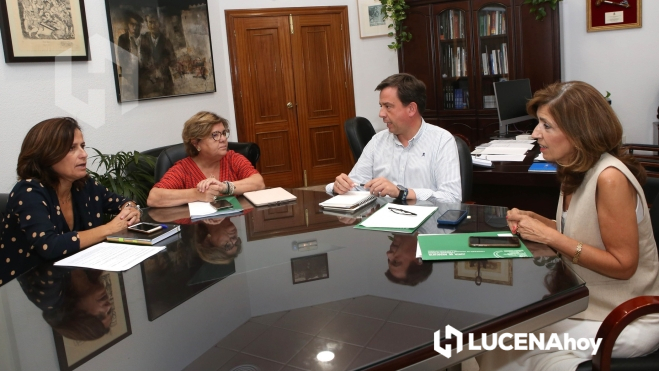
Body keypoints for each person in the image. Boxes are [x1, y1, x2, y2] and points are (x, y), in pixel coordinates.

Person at [477, 81, 659, 371]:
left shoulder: (610, 178)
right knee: (499, 336)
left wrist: (550, 235)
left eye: (546, 126)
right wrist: (540, 222)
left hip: (625, 316)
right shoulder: (575, 167)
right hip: (587, 302)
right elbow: (582, 232)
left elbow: (623, 265)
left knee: (503, 340)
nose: (536, 134)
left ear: (579, 133)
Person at [0, 118, 141, 286]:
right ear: (46, 155)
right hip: (28, 289)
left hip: (72, 279)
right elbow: (49, 245)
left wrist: (131, 209)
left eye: (82, 146)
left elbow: (122, 202)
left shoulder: (83, 184)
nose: (84, 154)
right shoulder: (28, 192)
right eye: (72, 148)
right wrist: (110, 228)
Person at [326, 73, 461, 203]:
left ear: (411, 109)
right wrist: (338, 186)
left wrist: (402, 192)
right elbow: (355, 185)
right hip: (383, 222)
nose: (381, 113)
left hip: (426, 223)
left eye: (388, 106)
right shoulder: (377, 141)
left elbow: (452, 198)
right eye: (381, 106)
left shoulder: (442, 141)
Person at [147, 111, 265, 207]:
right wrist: (196, 194)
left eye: (224, 133)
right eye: (215, 135)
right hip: (199, 230)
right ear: (196, 143)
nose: (223, 139)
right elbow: (154, 198)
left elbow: (258, 183)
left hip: (235, 224)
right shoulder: (183, 169)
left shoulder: (232, 158)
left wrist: (225, 187)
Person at [139, 13, 176, 98]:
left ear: (159, 23)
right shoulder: (144, 39)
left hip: (164, 78)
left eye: (155, 22)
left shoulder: (166, 40)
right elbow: (143, 57)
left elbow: (172, 58)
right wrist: (153, 70)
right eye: (150, 22)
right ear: (147, 24)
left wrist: (161, 68)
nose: (152, 25)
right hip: (149, 78)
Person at [116, 10, 143, 100]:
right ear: (128, 25)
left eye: (137, 25)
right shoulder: (123, 39)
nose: (134, 28)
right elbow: (122, 58)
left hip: (144, 73)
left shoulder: (144, 38)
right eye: (132, 24)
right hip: (130, 74)